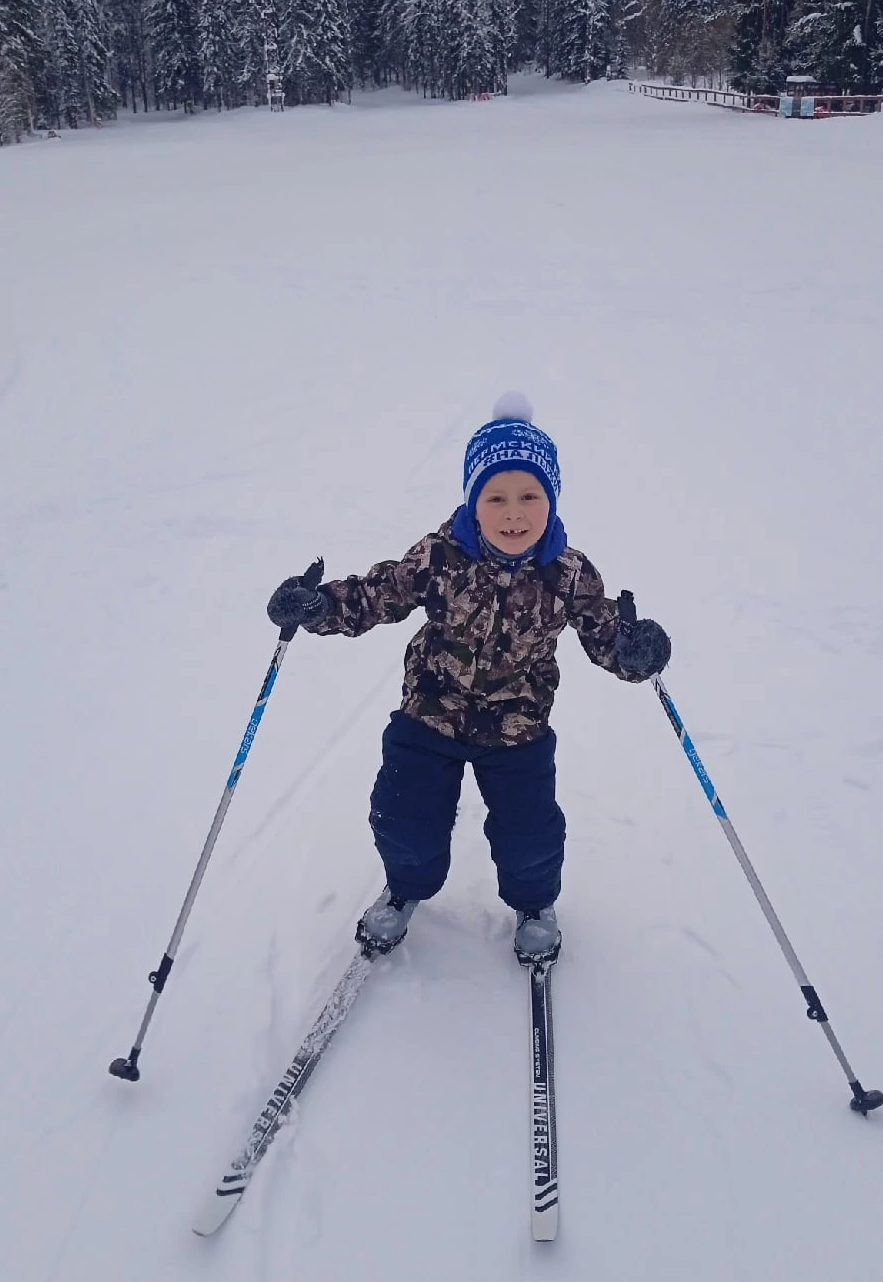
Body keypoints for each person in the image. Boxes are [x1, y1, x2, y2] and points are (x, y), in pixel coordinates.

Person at [266, 394, 670, 964]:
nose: (513, 514)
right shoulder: (441, 556)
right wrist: (320, 607)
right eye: (495, 497)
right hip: (430, 711)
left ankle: (534, 904)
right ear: (472, 502)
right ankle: (404, 887)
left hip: (519, 723)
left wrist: (633, 652)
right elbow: (381, 593)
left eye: (530, 497)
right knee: (403, 818)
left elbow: (604, 635)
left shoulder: (570, 574)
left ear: (551, 501)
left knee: (530, 835)